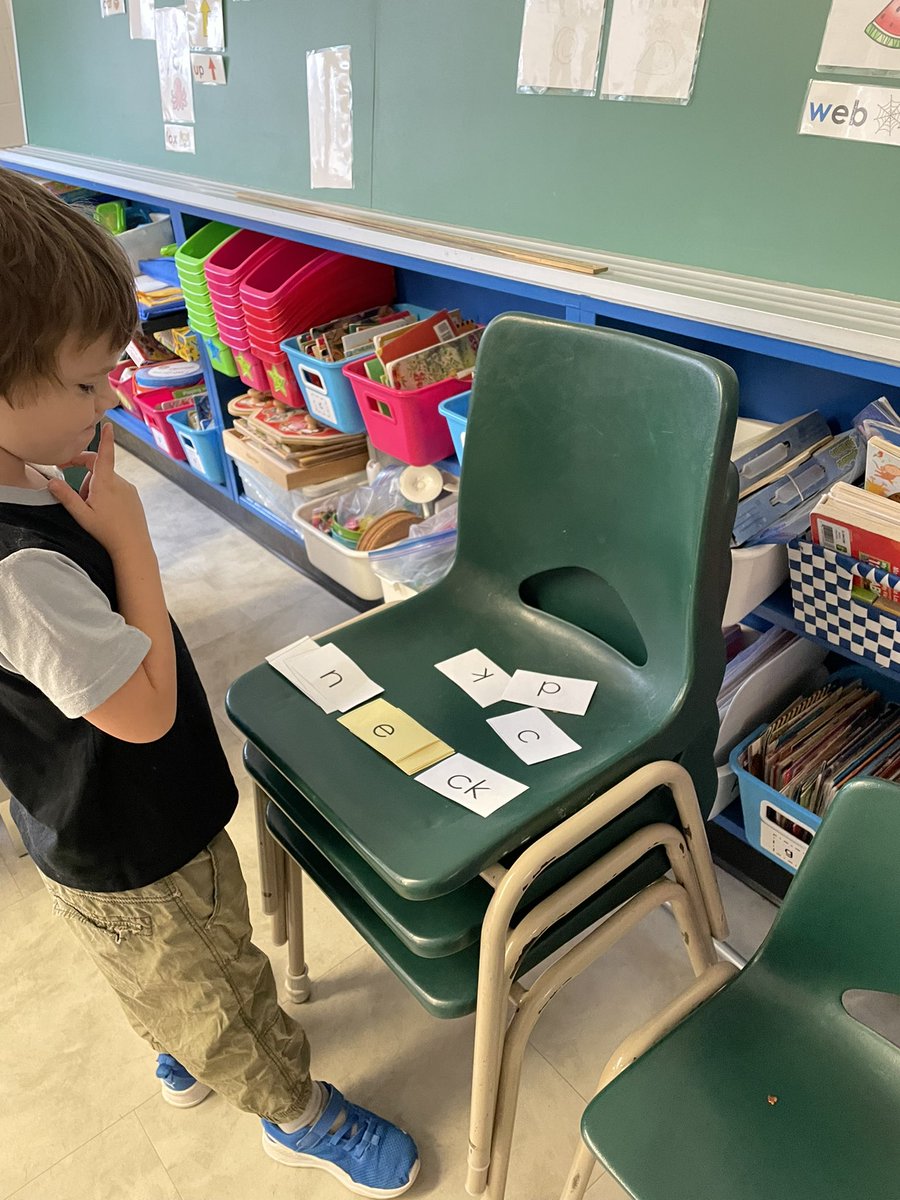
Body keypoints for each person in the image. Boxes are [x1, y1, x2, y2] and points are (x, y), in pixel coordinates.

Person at [0, 168, 419, 1198]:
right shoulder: (17, 571)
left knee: (182, 965)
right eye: (88, 385)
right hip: (125, 837)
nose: (111, 402)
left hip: (109, 822)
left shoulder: (26, 473)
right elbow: (143, 714)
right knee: (215, 982)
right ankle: (297, 1117)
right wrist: (129, 538)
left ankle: (183, 1042)